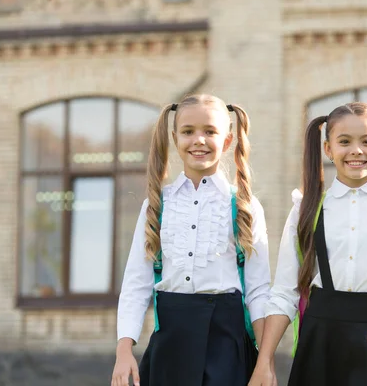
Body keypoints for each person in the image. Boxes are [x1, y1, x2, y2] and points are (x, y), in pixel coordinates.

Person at [250, 102, 367, 386]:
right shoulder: (305, 210)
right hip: (320, 340)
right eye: (344, 141)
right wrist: (265, 363)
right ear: (328, 149)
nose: (356, 150)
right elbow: (285, 293)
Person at [112, 94, 271, 386]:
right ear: (175, 139)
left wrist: (265, 363)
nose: (199, 140)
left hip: (228, 345)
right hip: (169, 346)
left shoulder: (245, 207)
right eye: (188, 132)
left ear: (226, 141)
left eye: (209, 131)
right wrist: (124, 351)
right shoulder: (157, 206)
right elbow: (136, 285)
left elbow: (259, 291)